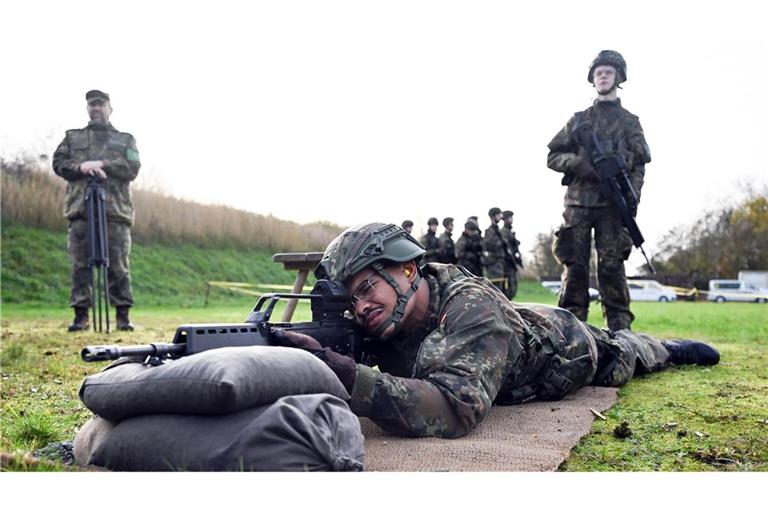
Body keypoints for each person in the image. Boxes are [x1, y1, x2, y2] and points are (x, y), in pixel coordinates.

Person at [274, 223, 719, 439]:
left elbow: (452, 409)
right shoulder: (382, 316)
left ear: (409, 269)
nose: (361, 306)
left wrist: (348, 376)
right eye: (350, 298)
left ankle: (665, 347)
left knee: (622, 353)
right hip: (505, 330)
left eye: (367, 287)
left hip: (563, 350)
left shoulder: (474, 309)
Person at [547, 50, 651, 331]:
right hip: (579, 204)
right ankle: (570, 329)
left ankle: (620, 330)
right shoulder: (579, 120)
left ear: (618, 77)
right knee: (575, 266)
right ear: (593, 80)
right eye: (598, 73)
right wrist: (575, 163)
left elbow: (640, 164)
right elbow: (552, 156)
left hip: (612, 205)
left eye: (608, 72)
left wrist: (632, 196)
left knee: (612, 266)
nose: (603, 76)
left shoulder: (630, 122)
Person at [52, 90, 140, 331]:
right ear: (87, 108)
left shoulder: (125, 139)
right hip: (81, 210)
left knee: (119, 265)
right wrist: (82, 167)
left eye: (100, 104)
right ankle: (81, 317)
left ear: (110, 108)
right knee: (80, 265)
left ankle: (123, 317)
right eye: (92, 104)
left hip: (115, 213)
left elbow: (132, 167)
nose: (96, 108)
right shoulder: (72, 137)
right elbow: (58, 163)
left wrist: (102, 165)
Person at [482, 207, 507, 295]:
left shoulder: (497, 230)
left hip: (499, 264)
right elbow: (487, 246)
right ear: (493, 217)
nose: (500, 217)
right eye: (498, 215)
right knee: (495, 289)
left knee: (501, 289)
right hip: (494, 264)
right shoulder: (490, 231)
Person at [500, 210, 523, 300]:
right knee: (509, 289)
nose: (511, 220)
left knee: (513, 288)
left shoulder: (509, 231)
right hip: (507, 264)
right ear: (505, 219)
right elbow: (506, 248)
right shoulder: (504, 232)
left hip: (511, 264)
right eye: (509, 218)